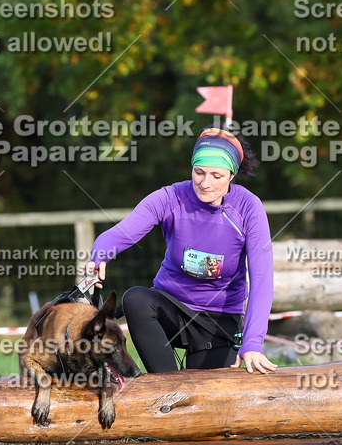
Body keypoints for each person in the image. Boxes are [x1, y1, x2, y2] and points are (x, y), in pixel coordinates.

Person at [85, 127, 277, 374]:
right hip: (171, 310)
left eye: (216, 176)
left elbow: (262, 279)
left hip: (219, 320)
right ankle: (165, 387)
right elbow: (123, 232)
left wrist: (252, 343)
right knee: (135, 298)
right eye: (199, 172)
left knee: (209, 404)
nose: (205, 183)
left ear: (232, 175)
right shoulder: (171, 196)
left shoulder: (249, 207)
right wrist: (100, 253)